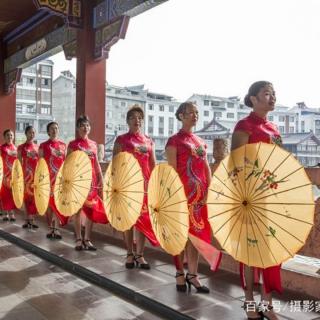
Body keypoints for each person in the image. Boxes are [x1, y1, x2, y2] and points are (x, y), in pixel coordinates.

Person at [232, 81, 282, 320]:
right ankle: (250, 300)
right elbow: (235, 163)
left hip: (271, 196)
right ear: (253, 98)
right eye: (266, 93)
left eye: (273, 93)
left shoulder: (274, 128)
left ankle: (267, 301)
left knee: (270, 249)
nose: (272, 97)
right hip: (250, 196)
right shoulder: (244, 125)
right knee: (251, 249)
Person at [165, 102, 221, 293]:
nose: (195, 116)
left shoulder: (200, 142)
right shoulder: (174, 141)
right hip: (181, 196)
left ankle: (193, 275)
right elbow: (171, 170)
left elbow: (206, 168)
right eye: (190, 113)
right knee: (179, 236)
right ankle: (180, 273)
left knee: (197, 236)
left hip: (199, 198)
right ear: (181, 116)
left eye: (197, 113)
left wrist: (210, 190)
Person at [113, 105, 159, 269]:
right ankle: (129, 254)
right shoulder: (121, 140)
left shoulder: (149, 141)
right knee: (129, 221)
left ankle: (140, 254)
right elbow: (115, 164)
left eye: (140, 118)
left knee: (143, 220)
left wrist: (155, 183)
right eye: (133, 117)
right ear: (127, 121)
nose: (137, 120)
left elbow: (153, 164)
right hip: (128, 185)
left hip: (145, 185)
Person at [68, 115, 108, 251]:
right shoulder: (73, 145)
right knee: (78, 210)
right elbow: (68, 164)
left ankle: (87, 239)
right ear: (77, 128)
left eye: (87, 125)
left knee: (91, 210)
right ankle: (79, 238)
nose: (85, 128)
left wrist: (100, 178)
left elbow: (96, 163)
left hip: (92, 182)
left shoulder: (93, 144)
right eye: (82, 125)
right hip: (78, 182)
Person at [39, 122, 68, 239]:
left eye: (56, 128)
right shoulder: (43, 145)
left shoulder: (63, 145)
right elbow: (40, 163)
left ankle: (56, 229)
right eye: (52, 128)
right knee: (49, 205)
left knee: (57, 203)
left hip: (60, 180)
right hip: (47, 179)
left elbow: (66, 163)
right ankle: (51, 228)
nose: (54, 130)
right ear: (48, 131)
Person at [17, 125, 39, 229]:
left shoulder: (37, 147)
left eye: (33, 133)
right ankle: (27, 219)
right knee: (26, 198)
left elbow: (40, 163)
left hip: (35, 176)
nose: (32, 134)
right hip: (25, 176)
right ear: (26, 133)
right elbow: (18, 162)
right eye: (30, 132)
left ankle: (33, 219)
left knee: (34, 198)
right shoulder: (21, 147)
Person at [0, 129, 17, 222]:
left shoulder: (16, 148)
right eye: (7, 135)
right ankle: (5, 213)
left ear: (13, 137)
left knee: (12, 195)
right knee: (4, 194)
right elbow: (8, 153)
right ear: (4, 137)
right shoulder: (2, 147)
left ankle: (12, 213)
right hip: (3, 175)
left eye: (11, 135)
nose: (9, 137)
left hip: (13, 175)